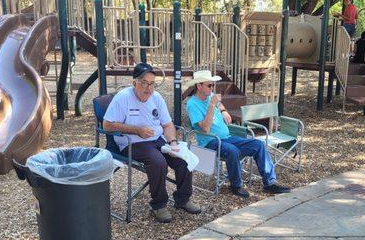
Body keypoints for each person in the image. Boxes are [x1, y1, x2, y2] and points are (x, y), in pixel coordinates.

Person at [103, 62, 199, 223]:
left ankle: (183, 199)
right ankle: (159, 205)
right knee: (158, 162)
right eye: (144, 83)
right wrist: (137, 130)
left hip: (157, 140)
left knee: (183, 157)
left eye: (152, 84)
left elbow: (167, 125)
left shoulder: (156, 97)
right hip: (132, 143)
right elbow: (107, 124)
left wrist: (173, 142)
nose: (148, 88)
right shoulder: (123, 97)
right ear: (134, 82)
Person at [185, 70, 291, 198]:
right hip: (210, 142)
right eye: (210, 85)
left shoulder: (209, 95)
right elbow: (205, 129)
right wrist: (212, 105)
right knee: (233, 151)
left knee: (258, 144)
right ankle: (236, 185)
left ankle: (270, 182)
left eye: (213, 85)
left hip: (226, 138)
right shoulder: (192, 104)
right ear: (199, 86)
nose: (212, 88)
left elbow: (219, 103)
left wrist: (223, 110)